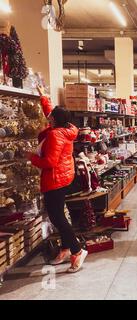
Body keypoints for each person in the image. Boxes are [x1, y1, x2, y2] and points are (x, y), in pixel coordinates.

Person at [25, 87, 88, 273]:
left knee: (57, 217)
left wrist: (30, 157)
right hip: (62, 176)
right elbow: (51, 113)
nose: (48, 117)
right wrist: (44, 97)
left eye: (51, 116)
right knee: (57, 215)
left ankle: (77, 250)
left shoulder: (55, 135)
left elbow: (50, 162)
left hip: (54, 179)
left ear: (55, 120)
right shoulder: (65, 129)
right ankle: (65, 248)